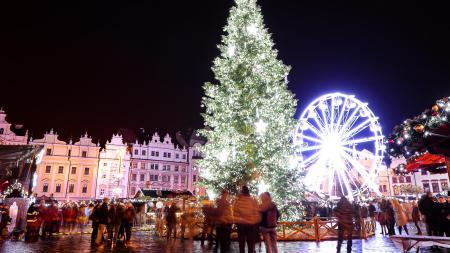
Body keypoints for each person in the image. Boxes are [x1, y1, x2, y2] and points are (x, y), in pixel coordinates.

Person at [233, 186, 260, 253]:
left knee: (241, 242)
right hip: (250, 224)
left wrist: (238, 220)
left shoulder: (238, 201)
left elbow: (234, 212)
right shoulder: (253, 200)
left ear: (242, 192)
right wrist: (254, 221)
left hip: (240, 224)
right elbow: (256, 212)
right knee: (250, 242)